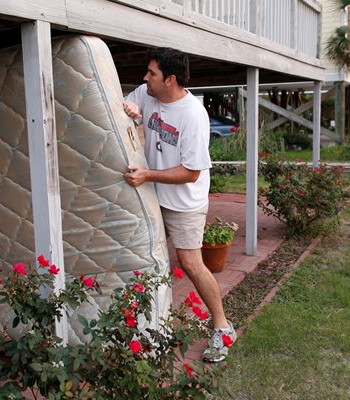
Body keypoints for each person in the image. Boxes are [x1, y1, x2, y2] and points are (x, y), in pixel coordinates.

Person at [122, 48, 236, 362]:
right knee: (143, 255)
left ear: (170, 79)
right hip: (152, 192)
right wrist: (128, 107)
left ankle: (222, 327)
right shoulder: (146, 93)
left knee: (190, 263)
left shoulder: (192, 115)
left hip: (184, 202)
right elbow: (125, 103)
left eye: (152, 73)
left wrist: (147, 175)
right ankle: (148, 325)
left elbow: (191, 171)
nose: (145, 78)